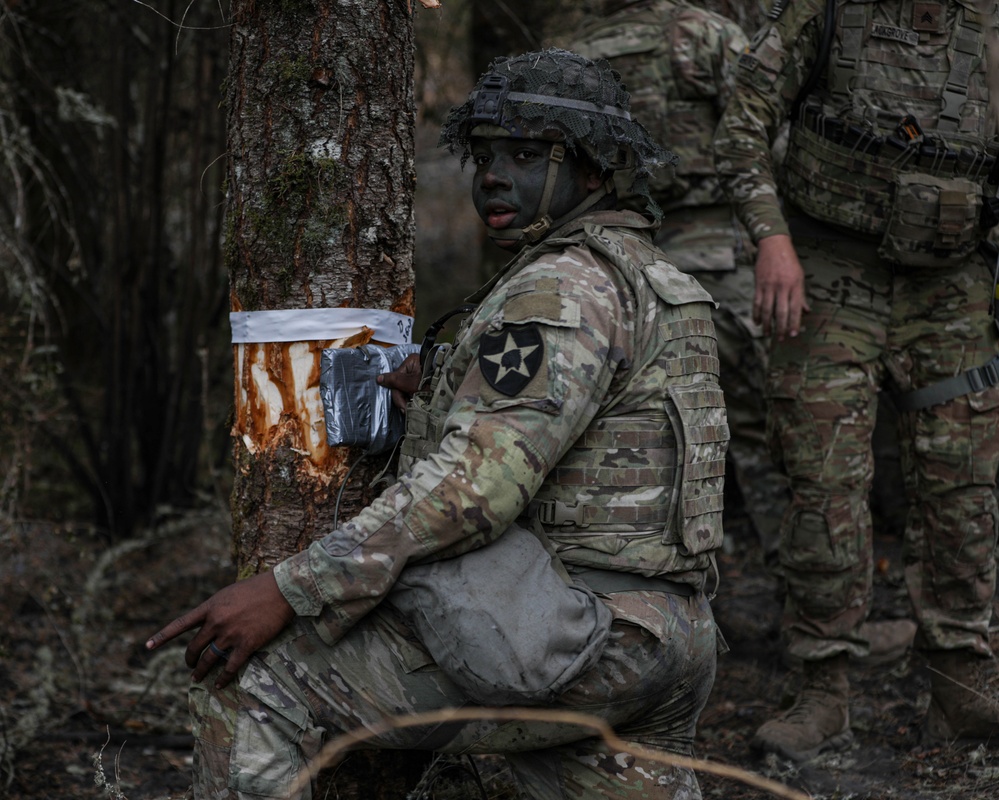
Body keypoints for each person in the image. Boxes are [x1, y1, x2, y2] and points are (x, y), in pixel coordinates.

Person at [147, 48, 729, 799]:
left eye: (526, 155)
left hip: (578, 641)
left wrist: (286, 589)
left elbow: (474, 490)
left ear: (594, 170)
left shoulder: (558, 287)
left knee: (250, 685)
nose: (493, 175)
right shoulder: (657, 279)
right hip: (672, 639)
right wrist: (455, 382)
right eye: (484, 155)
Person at [713, 0, 999, 762]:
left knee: (961, 479)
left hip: (952, 284)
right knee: (822, 481)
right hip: (827, 268)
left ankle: (961, 679)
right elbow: (740, 125)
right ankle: (822, 690)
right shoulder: (827, 11)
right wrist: (770, 240)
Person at [569, 0, 788, 563]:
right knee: (765, 433)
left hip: (619, 265)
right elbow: (765, 140)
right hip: (723, 261)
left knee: (649, 431)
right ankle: (799, 585)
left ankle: (662, 577)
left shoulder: (577, 55)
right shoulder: (706, 34)